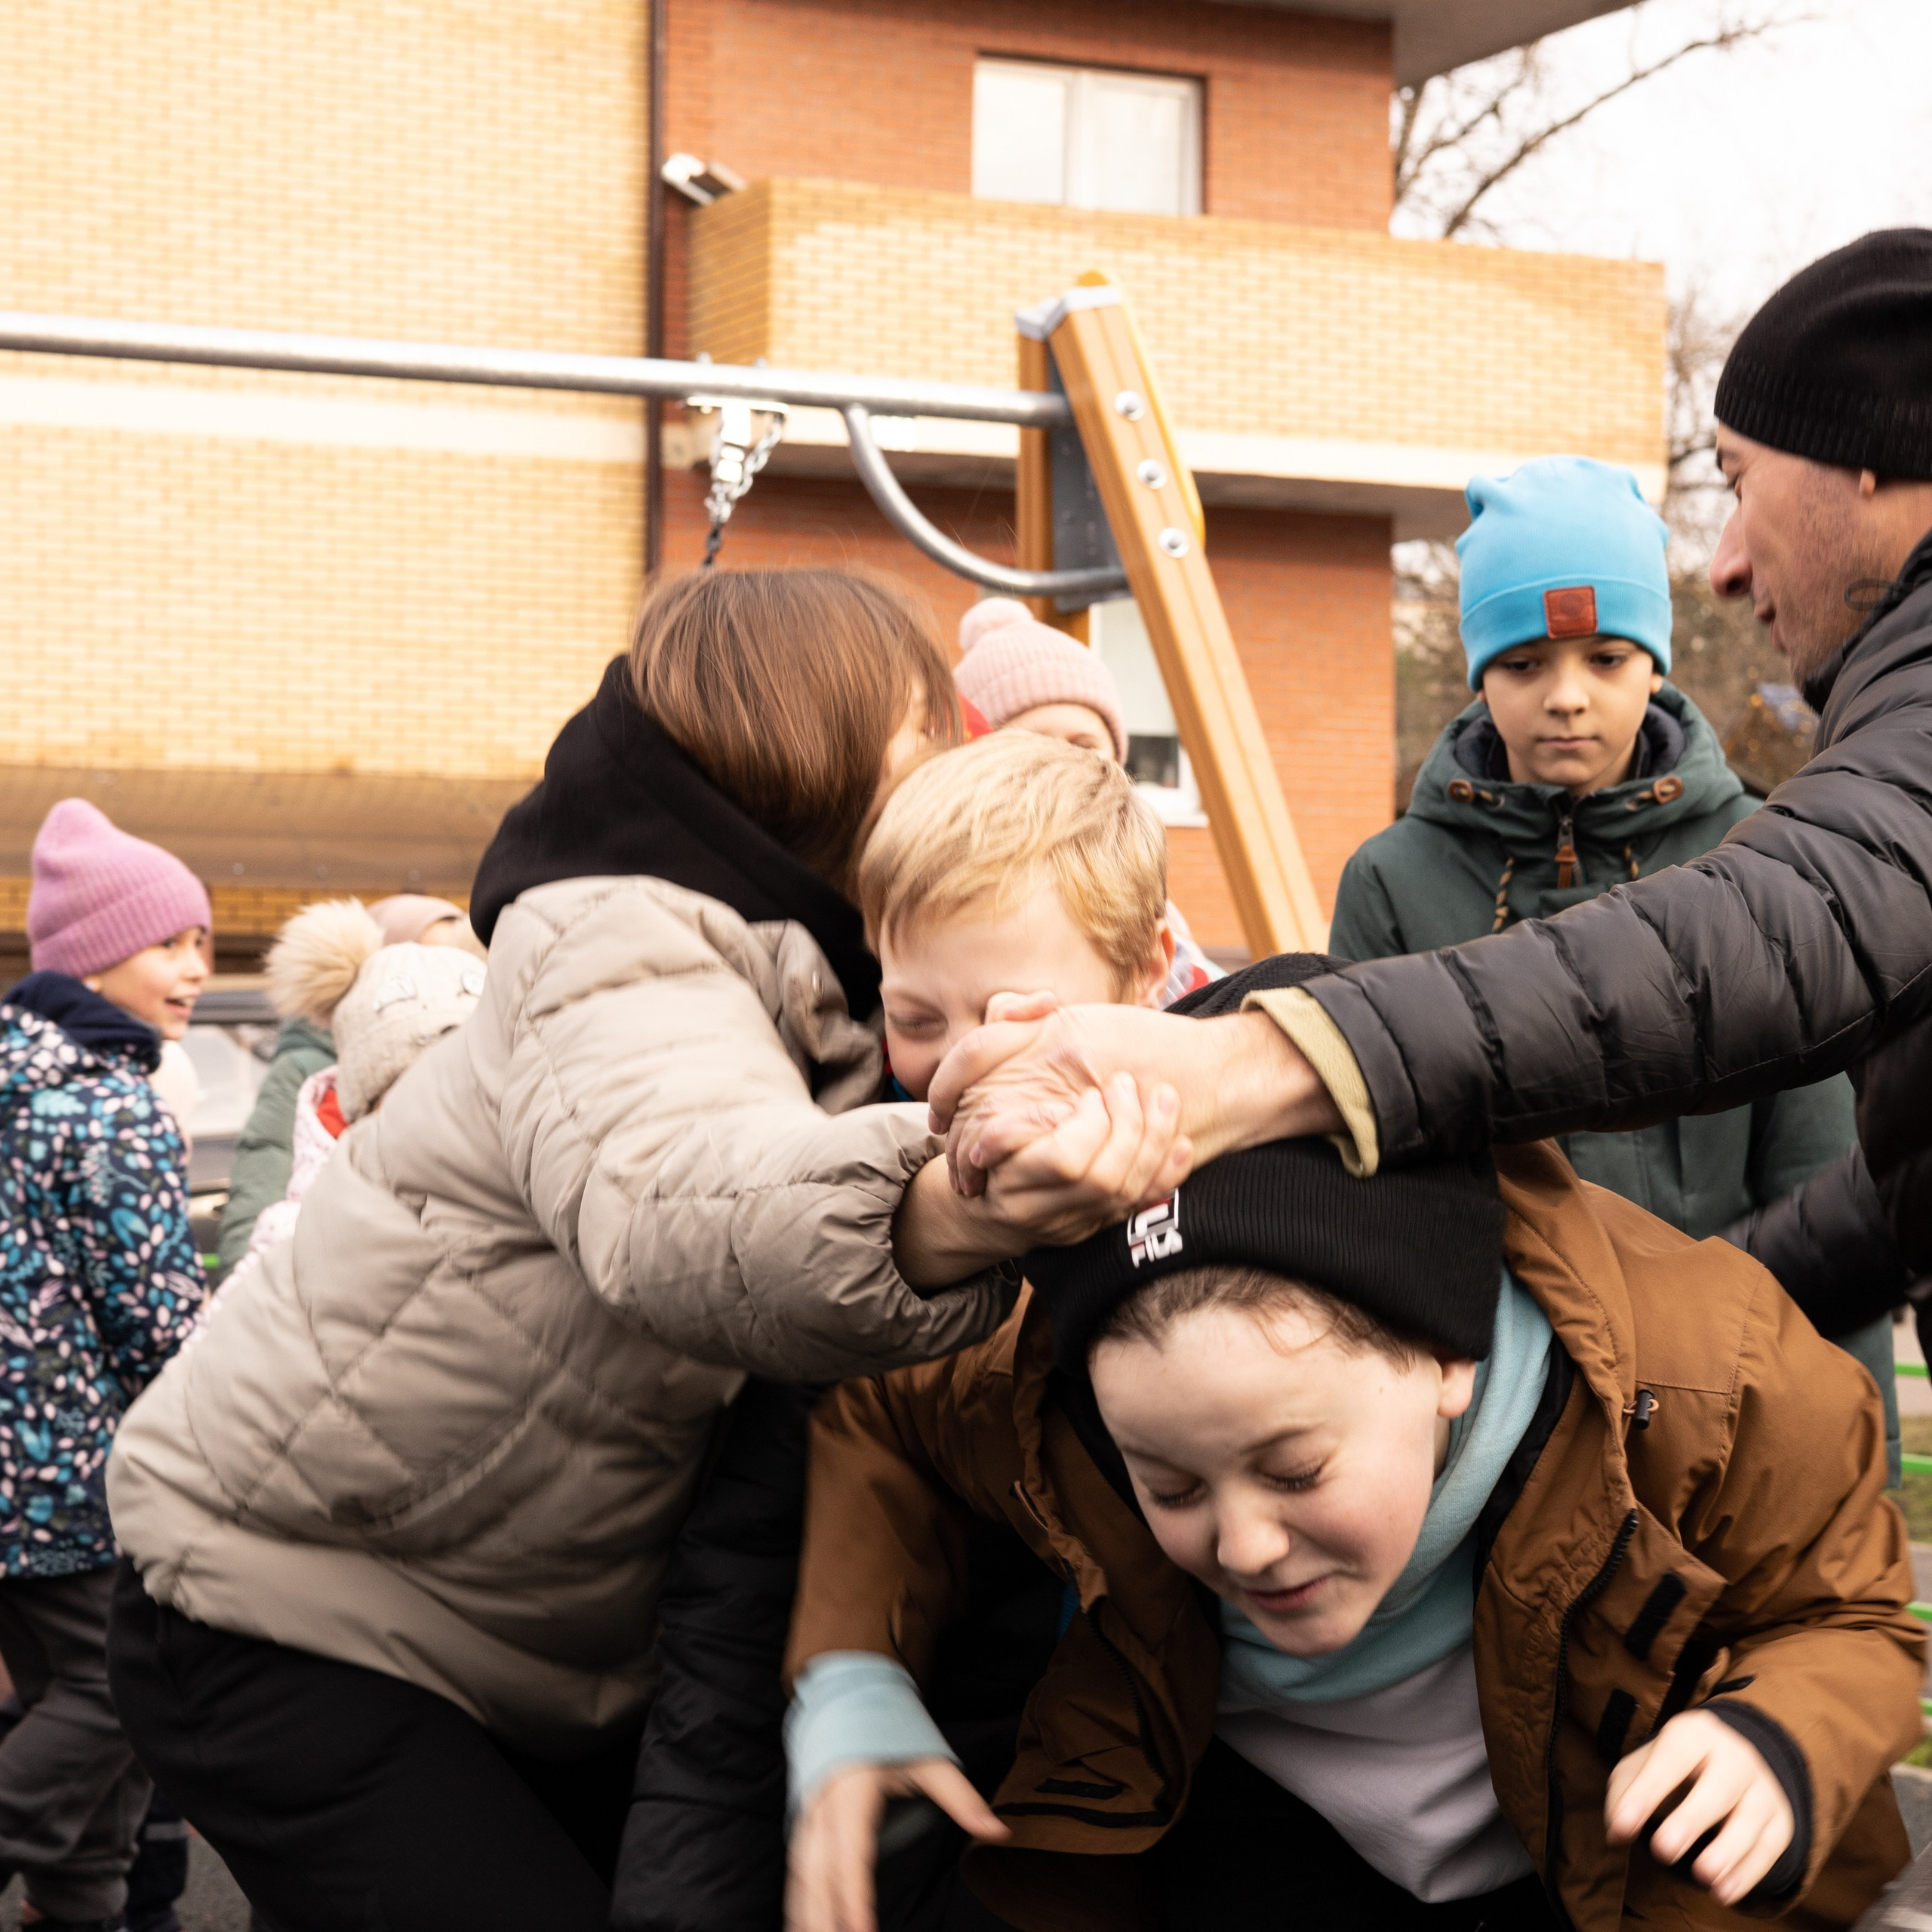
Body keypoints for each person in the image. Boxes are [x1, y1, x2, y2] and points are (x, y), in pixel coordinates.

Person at [102, 570, 1182, 1932]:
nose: (956, 751)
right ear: (824, 743)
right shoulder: (618, 939)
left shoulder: (833, 975)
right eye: (926, 724)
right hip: (289, 1604)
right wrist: (960, 1201)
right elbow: (684, 1205)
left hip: (504, 1630)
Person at [785, 964, 1921, 1932]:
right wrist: (849, 1680)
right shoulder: (1052, 1383)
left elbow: (1852, 1617)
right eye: (1168, 1482)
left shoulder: (1716, 1385)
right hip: (1252, 1831)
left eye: (1294, 1470)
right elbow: (883, 1414)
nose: (1243, 1543)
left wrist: (1780, 1732)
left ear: (1450, 1358)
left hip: (1604, 1874)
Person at [928, 229, 1932, 1293]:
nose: (1724, 565)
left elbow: (1770, 942)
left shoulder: (1792, 832)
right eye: (1526, 662)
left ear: (1865, 456)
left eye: (1736, 481)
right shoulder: (1394, 877)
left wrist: (1253, 1062)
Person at [614, 731, 1186, 1932]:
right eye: (918, 1018)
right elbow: (782, 1522)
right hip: (956, 1754)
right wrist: (846, 1683)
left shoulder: (1257, 1186)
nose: (967, 1060)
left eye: (1016, 1010)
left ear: (1143, 975)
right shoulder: (865, 1230)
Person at [1329, 454, 1894, 1464]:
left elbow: (1823, 1188)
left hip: (1726, 1409)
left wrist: (1855, 1462)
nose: (1567, 698)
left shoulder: (1766, 862)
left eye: (1607, 658)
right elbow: (1373, 1205)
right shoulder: (1389, 885)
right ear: (1477, 674)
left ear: (1657, 665)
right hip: (1495, 1429)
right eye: (1524, 664)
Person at [0, 800, 210, 1932]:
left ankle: (76, 1911)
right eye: (169, 944)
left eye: (201, 945)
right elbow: (155, 1319)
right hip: (70, 1475)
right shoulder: (108, 1104)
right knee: (119, 1693)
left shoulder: (15, 1077)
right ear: (90, 956)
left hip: (15, 1477)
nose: (193, 970)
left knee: (63, 1704)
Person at [955, 598, 1219, 1003]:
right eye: (1037, 747)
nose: (1068, 766)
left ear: (1117, 759)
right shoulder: (971, 903)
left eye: (1084, 745)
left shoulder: (1149, 898)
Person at [215, 891, 477, 1272]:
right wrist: (257, 1282)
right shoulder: (309, 1076)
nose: (438, 972)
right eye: (422, 954)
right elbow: (259, 1191)